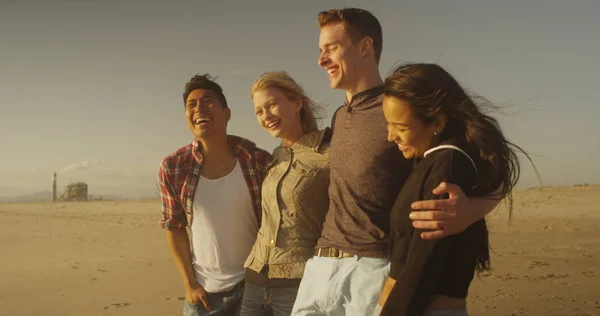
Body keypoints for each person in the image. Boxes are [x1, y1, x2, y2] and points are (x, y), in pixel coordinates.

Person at [290, 8, 503, 316]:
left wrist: (473, 209)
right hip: (320, 269)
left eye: (331, 49)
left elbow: (490, 163)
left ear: (365, 46)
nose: (321, 59)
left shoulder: (403, 106)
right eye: (320, 50)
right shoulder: (339, 116)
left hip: (372, 271)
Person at [375, 63, 535, 315]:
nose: (390, 136)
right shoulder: (432, 161)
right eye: (388, 124)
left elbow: (422, 268)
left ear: (437, 121)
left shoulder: (446, 166)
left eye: (402, 127)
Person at [158, 74, 272, 316]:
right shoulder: (174, 167)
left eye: (208, 101)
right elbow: (174, 227)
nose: (199, 108)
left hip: (253, 290)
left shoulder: (257, 160)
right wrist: (189, 285)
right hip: (204, 297)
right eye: (191, 104)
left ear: (227, 113)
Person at [240, 71, 331, 316]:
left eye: (271, 105)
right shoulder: (275, 157)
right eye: (259, 111)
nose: (266, 115)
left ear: (297, 103)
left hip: (299, 283)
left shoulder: (329, 153)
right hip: (255, 278)